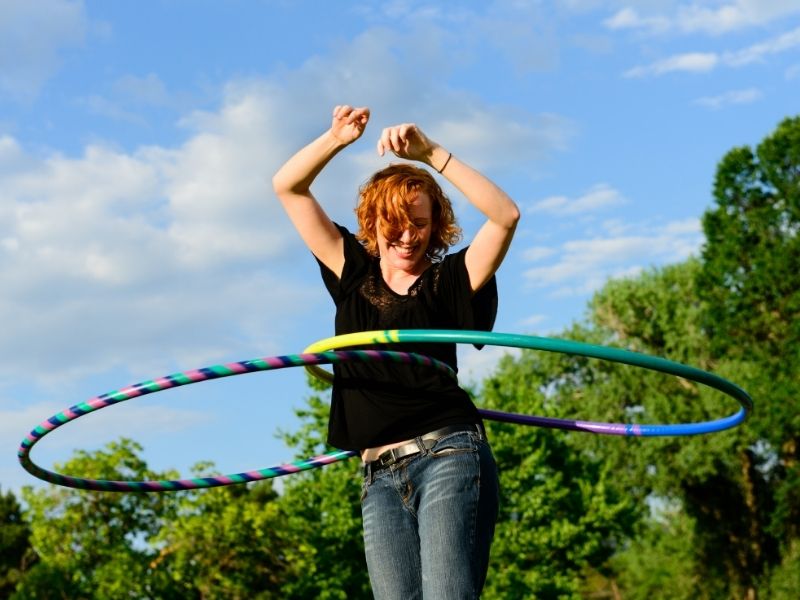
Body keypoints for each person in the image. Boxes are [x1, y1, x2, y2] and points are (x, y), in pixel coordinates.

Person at [272, 105, 520, 599]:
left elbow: (505, 216)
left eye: (421, 224)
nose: (409, 236)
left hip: (448, 453)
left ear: (436, 225)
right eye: (397, 223)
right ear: (375, 220)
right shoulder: (351, 271)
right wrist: (335, 139)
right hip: (376, 477)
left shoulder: (449, 280)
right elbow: (288, 187)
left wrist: (431, 154)